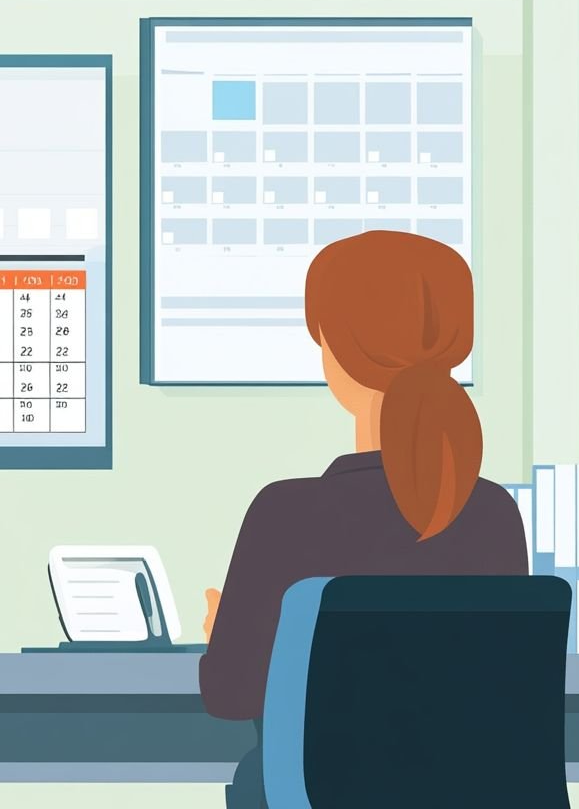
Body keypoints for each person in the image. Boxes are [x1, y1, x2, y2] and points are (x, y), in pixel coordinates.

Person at [199, 231, 527, 809]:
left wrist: (226, 633)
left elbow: (229, 694)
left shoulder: (287, 513)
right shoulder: (494, 515)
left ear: (335, 350)